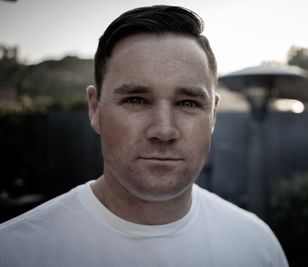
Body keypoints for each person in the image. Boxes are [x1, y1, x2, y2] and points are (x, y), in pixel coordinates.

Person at [0, 5, 289, 267]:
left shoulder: (257, 247)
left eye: (187, 103)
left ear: (212, 114)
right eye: (136, 100)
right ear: (94, 109)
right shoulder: (16, 251)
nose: (164, 130)